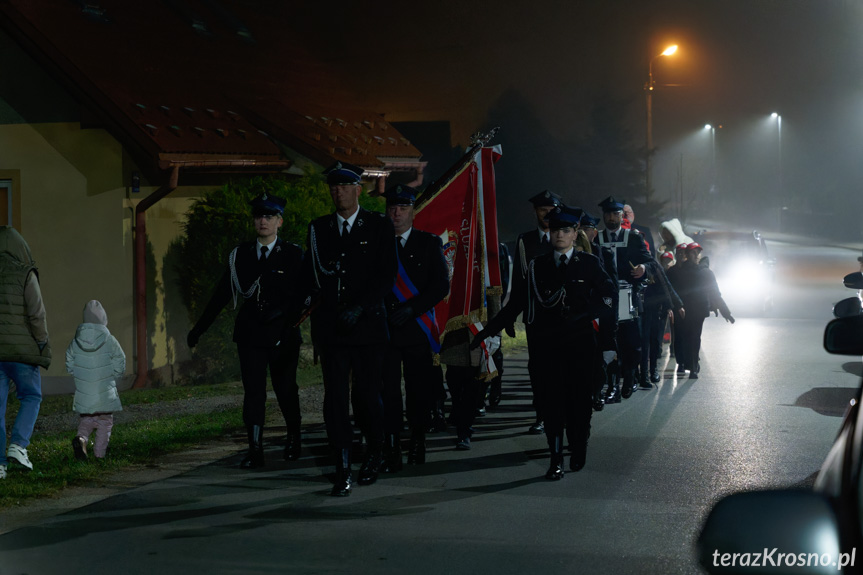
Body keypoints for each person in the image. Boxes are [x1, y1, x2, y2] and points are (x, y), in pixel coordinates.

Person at [472, 206, 615, 479]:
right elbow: (517, 302)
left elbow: (608, 298)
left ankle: (579, 444)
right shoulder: (538, 265)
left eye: (565, 230)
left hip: (581, 345)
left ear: (575, 234)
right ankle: (556, 457)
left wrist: (591, 318)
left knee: (579, 402)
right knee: (551, 402)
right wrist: (490, 329)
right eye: (554, 230)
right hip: (549, 346)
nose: (559, 235)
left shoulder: (589, 263)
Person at [187, 192, 305, 469]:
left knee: (285, 388)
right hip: (251, 334)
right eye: (259, 216)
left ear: (280, 222)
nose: (263, 221)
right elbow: (221, 295)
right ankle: (255, 449)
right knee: (254, 392)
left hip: (283, 334)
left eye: (269, 216)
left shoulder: (292, 254)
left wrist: (286, 316)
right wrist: (199, 328)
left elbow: (303, 293)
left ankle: (294, 438)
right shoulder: (239, 255)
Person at [305, 161, 397, 496]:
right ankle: (342, 463)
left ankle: (375, 450)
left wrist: (361, 307)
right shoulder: (319, 229)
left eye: (344, 186)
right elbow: (313, 278)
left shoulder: (378, 226)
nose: (338, 192)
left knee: (368, 395)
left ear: (358, 189)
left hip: (368, 327)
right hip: (333, 330)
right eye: (333, 187)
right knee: (335, 399)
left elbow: (386, 276)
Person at [381, 184, 449, 471]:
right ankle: (392, 443)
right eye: (392, 207)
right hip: (384, 330)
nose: (397, 212)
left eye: (403, 207)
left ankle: (418, 440)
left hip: (417, 329)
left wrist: (412, 309)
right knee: (388, 392)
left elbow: (440, 286)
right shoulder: (377, 242)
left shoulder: (429, 243)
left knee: (418, 390)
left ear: (412, 211)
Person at [0, 226, 51, 478]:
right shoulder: (25, 273)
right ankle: (18, 445)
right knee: (31, 395)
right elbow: (37, 313)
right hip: (21, 353)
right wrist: (42, 343)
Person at [512, 190, 562, 435]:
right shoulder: (525, 240)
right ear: (536, 212)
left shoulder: (565, 237)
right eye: (543, 210)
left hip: (563, 317)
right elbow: (519, 281)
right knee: (539, 368)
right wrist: (511, 316)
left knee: (561, 367)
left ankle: (560, 412)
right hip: (535, 317)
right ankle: (541, 414)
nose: (548, 215)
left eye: (552, 210)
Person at [595, 196, 651, 396]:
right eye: (608, 214)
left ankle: (630, 378)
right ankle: (612, 385)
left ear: (621, 215)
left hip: (629, 297)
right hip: (606, 298)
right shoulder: (596, 238)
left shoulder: (634, 237)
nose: (612, 217)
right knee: (609, 342)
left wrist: (643, 268)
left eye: (616, 214)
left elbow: (650, 262)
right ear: (604, 216)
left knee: (632, 343)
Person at [66, 300, 125, 460]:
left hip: (85, 395)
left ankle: (81, 440)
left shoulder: (75, 341)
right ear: (103, 319)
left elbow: (69, 361)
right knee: (105, 424)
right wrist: (115, 373)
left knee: (86, 423)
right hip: (105, 394)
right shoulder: (110, 340)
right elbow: (120, 359)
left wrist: (77, 373)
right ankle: (100, 455)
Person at [671, 243, 734, 379]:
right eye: (691, 253)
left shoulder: (705, 273)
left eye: (696, 253)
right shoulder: (679, 272)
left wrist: (725, 312)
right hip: (683, 310)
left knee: (694, 337)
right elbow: (671, 291)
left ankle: (693, 367)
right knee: (686, 337)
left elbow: (715, 294)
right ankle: (687, 363)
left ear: (698, 255)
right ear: (687, 255)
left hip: (697, 311)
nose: (694, 256)